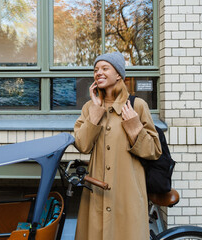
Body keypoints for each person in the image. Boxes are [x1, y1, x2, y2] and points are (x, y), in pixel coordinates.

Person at [74, 52, 162, 240]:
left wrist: (133, 126)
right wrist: (96, 113)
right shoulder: (89, 107)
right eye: (96, 70)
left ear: (119, 75)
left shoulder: (137, 105)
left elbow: (154, 151)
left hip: (127, 195)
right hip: (96, 193)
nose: (99, 73)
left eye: (105, 68)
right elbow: (82, 145)